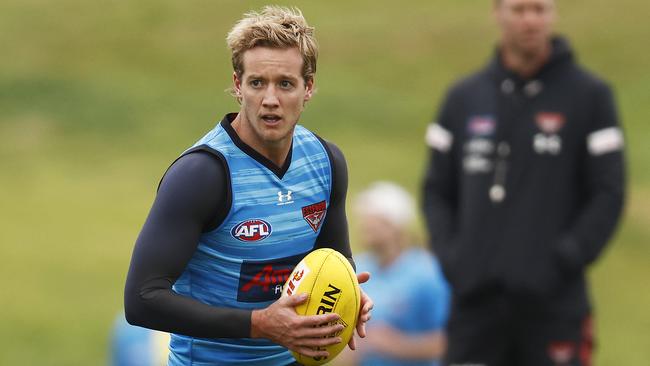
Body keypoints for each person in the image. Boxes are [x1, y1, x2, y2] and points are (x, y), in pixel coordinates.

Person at [124, 6, 373, 365]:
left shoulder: (325, 162)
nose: (270, 99)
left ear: (309, 88)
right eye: (258, 83)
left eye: (285, 83)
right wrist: (259, 324)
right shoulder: (202, 175)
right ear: (238, 85)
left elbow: (335, 258)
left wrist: (352, 295)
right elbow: (143, 299)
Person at [422, 1, 625, 365]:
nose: (530, 19)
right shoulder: (463, 98)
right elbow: (436, 190)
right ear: (497, 12)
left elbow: (609, 192)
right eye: (518, 9)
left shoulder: (590, 96)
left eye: (539, 8)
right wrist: (455, 259)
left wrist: (565, 259)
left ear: (553, 13)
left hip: (554, 307)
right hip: (475, 307)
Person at [338, 182, 450, 366]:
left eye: (374, 219)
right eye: (364, 218)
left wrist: (393, 344)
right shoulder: (356, 268)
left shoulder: (427, 273)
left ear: (396, 225)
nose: (366, 224)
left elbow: (446, 341)